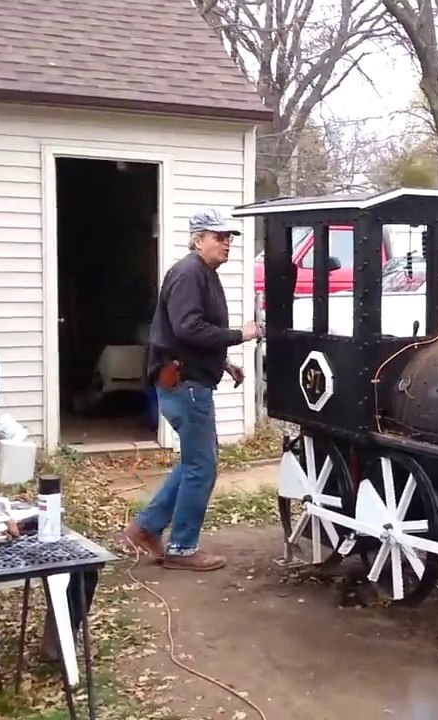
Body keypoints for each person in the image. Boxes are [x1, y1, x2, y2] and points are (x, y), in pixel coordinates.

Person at [123, 208, 260, 571]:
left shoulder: (203, 273)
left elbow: (186, 334)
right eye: (219, 236)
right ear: (198, 239)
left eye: (229, 236)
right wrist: (238, 336)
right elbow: (187, 328)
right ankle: (183, 548)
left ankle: (145, 527)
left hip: (191, 379)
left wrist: (222, 362)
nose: (227, 242)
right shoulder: (189, 273)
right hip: (186, 386)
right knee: (202, 466)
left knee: (194, 462)